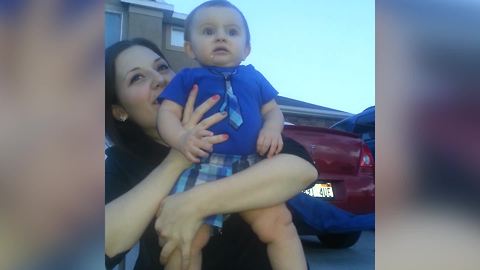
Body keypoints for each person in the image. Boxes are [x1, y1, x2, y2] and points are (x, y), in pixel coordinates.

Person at [105, 38, 317, 270]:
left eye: (162, 67)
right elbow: (105, 246)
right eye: (137, 78)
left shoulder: (232, 122)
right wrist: (177, 159)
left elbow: (302, 171)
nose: (159, 80)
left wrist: (194, 203)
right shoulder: (123, 161)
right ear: (120, 110)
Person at [157, 1, 307, 270]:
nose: (221, 36)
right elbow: (166, 114)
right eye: (208, 31)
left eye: (232, 32)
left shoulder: (254, 77)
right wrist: (180, 139)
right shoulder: (187, 77)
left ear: (247, 49)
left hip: (251, 166)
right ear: (189, 48)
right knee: (184, 238)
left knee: (279, 224)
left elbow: (274, 111)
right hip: (201, 164)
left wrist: (272, 128)